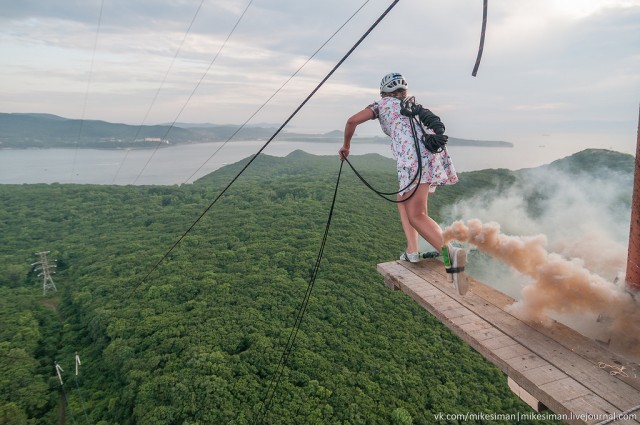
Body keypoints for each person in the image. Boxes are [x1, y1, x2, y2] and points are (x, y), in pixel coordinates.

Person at [338, 72, 468, 295]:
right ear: (403, 92)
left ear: (383, 92)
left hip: (411, 161)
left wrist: (346, 146)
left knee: (416, 215)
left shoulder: (380, 105)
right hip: (429, 154)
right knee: (405, 201)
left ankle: (450, 252)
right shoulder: (411, 107)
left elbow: (352, 121)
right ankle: (412, 250)